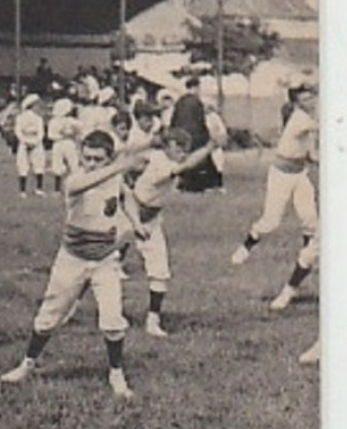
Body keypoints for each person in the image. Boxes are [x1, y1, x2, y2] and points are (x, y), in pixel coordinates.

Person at [0, 130, 139, 399]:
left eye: (98, 159)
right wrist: (118, 166)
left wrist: (137, 223)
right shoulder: (77, 179)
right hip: (72, 259)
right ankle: (27, 363)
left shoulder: (114, 178)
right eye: (87, 157)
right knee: (49, 315)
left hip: (105, 259)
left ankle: (116, 373)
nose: (91, 163)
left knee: (112, 319)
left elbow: (126, 195)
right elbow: (77, 186)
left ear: (108, 159)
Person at [124, 127, 219, 337]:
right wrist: (210, 147)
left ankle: (153, 320)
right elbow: (185, 166)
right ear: (168, 147)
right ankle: (71, 306)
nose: (183, 153)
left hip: (151, 219)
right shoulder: (162, 163)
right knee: (98, 263)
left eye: (185, 149)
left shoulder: (161, 158)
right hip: (128, 215)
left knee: (160, 270)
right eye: (178, 149)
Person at [232, 83, 318, 266]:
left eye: (311, 97)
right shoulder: (299, 118)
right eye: (305, 99)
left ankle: (307, 259)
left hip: (300, 173)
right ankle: (245, 248)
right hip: (281, 175)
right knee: (271, 221)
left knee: (310, 218)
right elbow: (320, 127)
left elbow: (311, 156)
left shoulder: (308, 122)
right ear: (296, 103)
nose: (310, 102)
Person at [170, 78, 220, 192]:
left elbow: (174, 120)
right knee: (201, 159)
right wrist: (207, 137)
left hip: (180, 136)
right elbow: (200, 121)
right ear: (196, 87)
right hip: (194, 135)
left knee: (182, 161)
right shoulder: (197, 102)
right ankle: (207, 185)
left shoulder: (179, 101)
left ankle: (181, 185)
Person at [13, 94, 47, 196]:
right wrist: (25, 141)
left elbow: (41, 132)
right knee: (27, 164)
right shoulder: (22, 118)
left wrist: (35, 141)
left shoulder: (37, 118)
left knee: (36, 164)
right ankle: (29, 189)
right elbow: (18, 131)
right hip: (27, 141)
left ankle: (33, 189)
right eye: (36, 105)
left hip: (33, 141)